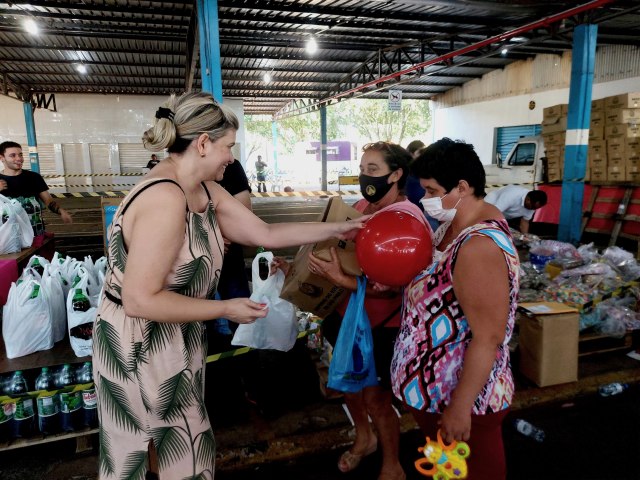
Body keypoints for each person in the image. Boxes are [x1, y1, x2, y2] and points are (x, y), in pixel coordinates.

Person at [91, 91, 367, 480]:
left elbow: (266, 232)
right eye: (228, 147)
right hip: (139, 341)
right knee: (145, 446)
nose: (231, 158)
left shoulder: (203, 188)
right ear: (203, 144)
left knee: (182, 439)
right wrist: (225, 308)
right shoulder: (165, 199)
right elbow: (139, 300)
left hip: (176, 333)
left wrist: (341, 227)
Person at [390, 138, 518, 480]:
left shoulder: (479, 246)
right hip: (434, 396)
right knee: (449, 473)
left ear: (462, 187)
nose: (425, 199)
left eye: (431, 190)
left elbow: (488, 336)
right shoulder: (452, 227)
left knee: (474, 473)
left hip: (463, 402)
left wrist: (461, 407)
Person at [307, 141, 411, 480]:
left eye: (374, 170)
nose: (366, 176)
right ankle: (364, 438)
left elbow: (394, 285)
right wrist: (297, 269)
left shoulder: (405, 221)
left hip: (381, 325)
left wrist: (341, 279)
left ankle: (392, 465)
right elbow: (339, 252)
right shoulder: (361, 206)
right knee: (351, 385)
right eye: (363, 169)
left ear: (396, 174)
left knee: (377, 401)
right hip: (347, 317)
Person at [0, 141, 73, 230]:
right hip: (8, 234)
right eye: (13, 155)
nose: (19, 158)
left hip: (35, 230)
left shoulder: (34, 177)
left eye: (20, 154)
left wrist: (61, 212)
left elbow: (48, 201)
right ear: (2, 158)